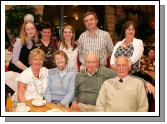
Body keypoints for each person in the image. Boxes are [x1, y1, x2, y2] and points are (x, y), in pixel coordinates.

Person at [110, 21, 155, 111]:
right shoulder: (118, 44)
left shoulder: (139, 42)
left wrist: (120, 66)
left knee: (149, 86)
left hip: (135, 74)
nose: (131, 31)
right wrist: (119, 69)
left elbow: (133, 60)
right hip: (118, 74)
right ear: (124, 31)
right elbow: (111, 62)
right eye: (129, 29)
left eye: (133, 29)